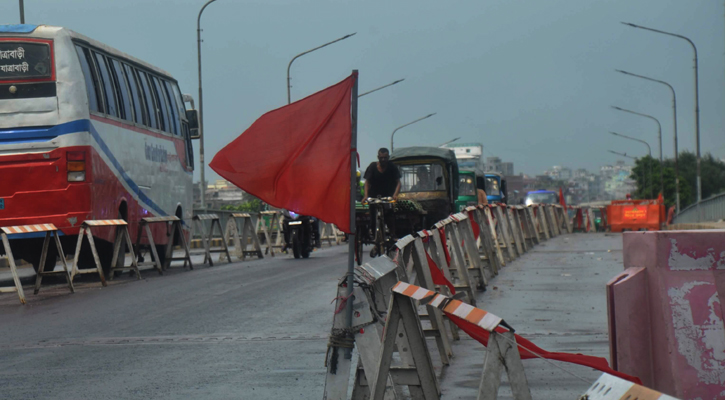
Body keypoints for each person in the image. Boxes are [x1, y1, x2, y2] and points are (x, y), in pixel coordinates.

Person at [363, 148, 401, 241]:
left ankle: (392, 234)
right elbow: (367, 182)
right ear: (378, 157)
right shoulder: (372, 167)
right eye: (381, 158)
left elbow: (398, 183)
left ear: (388, 157)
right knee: (372, 215)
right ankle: (373, 233)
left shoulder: (392, 167)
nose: (383, 160)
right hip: (374, 196)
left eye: (385, 158)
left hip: (387, 196)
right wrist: (366, 196)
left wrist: (395, 195)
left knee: (389, 214)